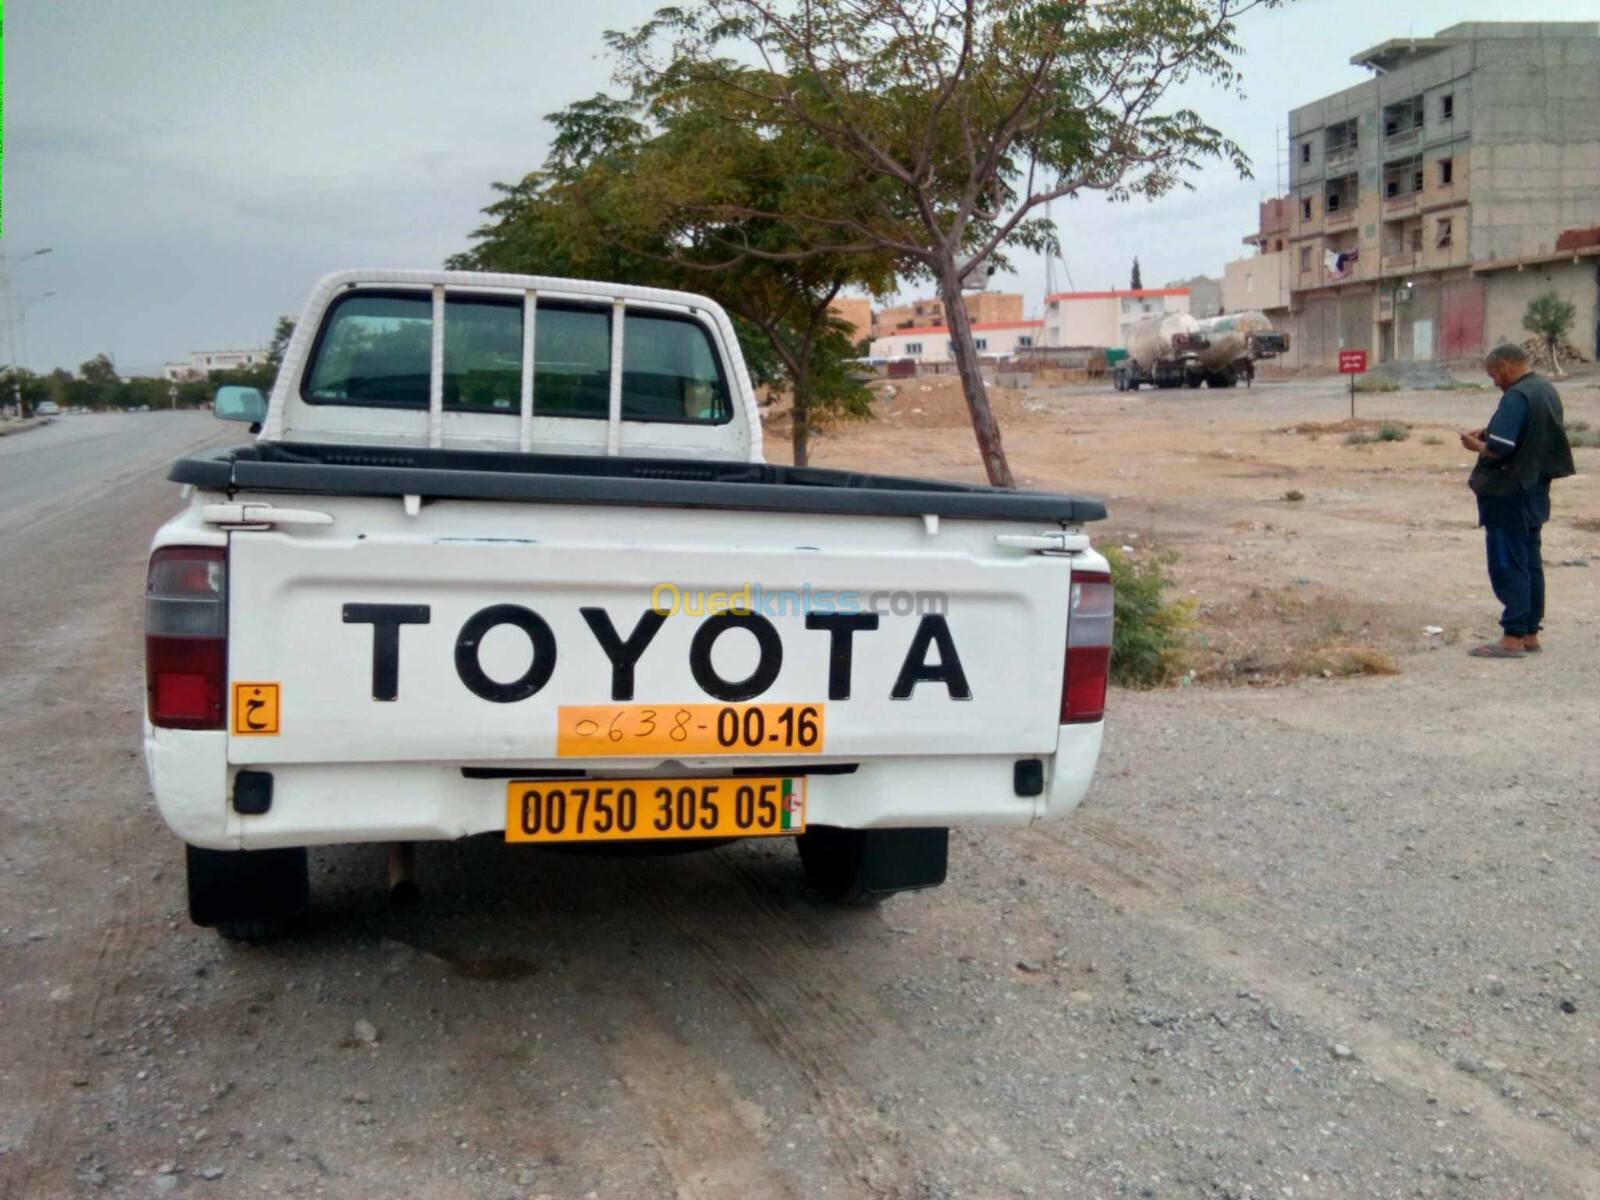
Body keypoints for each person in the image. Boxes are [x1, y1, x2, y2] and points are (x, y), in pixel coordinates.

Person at [1459, 343, 1574, 658]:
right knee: (1530, 562)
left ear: (1506, 366)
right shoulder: (1546, 390)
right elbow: (1533, 434)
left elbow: (1502, 449)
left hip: (1509, 492)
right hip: (1534, 488)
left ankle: (1511, 637)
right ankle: (1529, 633)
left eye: (1494, 374)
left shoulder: (1516, 396)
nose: (1494, 381)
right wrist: (1491, 431)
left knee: (1508, 563)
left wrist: (1477, 445)